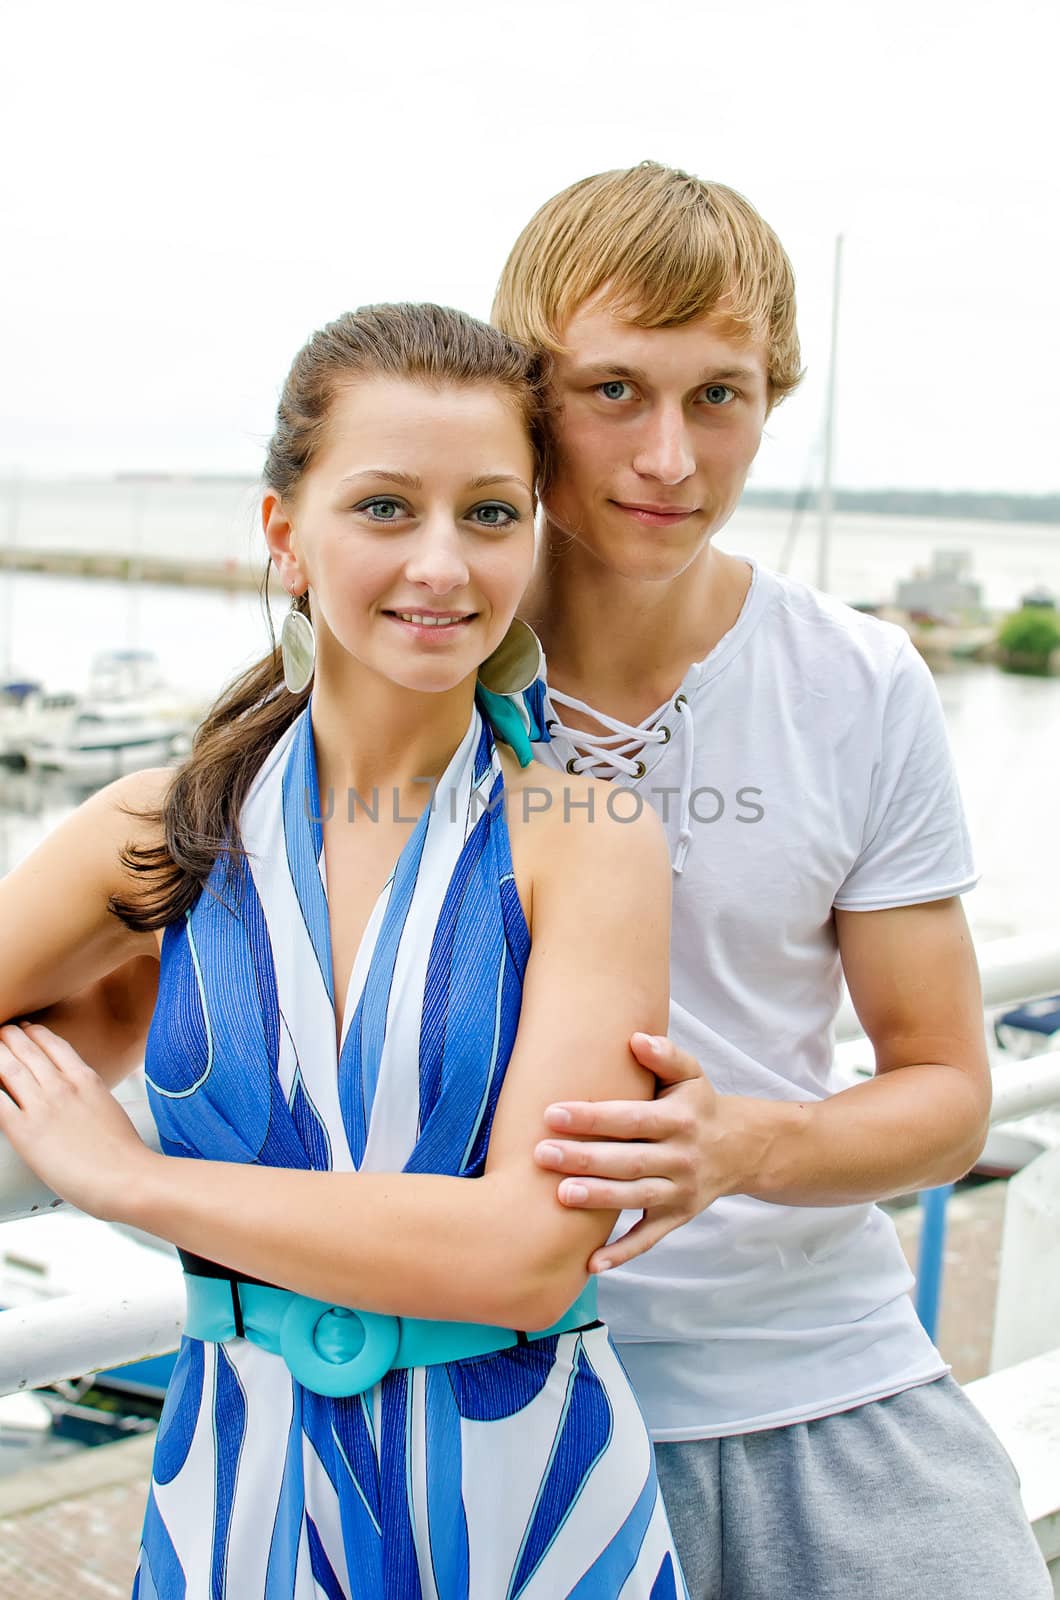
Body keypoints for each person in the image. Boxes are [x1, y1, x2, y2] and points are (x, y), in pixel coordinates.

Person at [0, 304, 688, 1598]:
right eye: (385, 508)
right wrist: (106, 1014)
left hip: (525, 1510)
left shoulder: (586, 837)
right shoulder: (159, 831)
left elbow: (527, 1255)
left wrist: (134, 1181)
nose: (443, 564)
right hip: (235, 1506)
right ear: (287, 536)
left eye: (490, 513)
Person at [483, 162, 1053, 1598]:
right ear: (528, 394)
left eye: (718, 396)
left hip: (823, 1376)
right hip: (500, 1399)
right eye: (614, 390)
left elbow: (943, 1094)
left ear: (769, 403)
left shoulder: (858, 681)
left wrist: (743, 1147)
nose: (670, 455)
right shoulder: (412, 669)